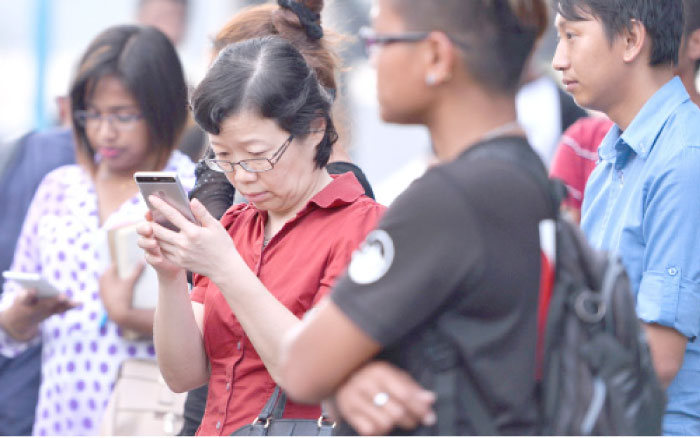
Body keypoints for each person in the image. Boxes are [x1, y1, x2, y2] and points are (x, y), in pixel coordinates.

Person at [278, 0, 552, 435]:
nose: (372, 59)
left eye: (381, 40)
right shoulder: (525, 175)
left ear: (437, 57)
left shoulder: (451, 199)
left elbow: (300, 365)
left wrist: (341, 372)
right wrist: (350, 377)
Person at [138, 35, 385, 436]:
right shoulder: (235, 225)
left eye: (257, 156)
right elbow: (183, 376)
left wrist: (226, 268)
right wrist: (169, 276)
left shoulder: (362, 228)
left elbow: (311, 370)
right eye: (224, 157)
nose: (242, 176)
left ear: (315, 130)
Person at [0, 25, 195, 436]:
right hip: (58, 418)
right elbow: (12, 318)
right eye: (92, 114)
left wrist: (130, 316)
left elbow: (213, 325)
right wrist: (19, 317)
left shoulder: (189, 189)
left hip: (146, 419)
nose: (105, 132)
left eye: (123, 115)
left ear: (163, 110)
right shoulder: (59, 187)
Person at [551, 0, 700, 434]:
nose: (559, 59)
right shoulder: (612, 162)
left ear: (632, 39)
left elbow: (657, 358)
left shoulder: (684, 161)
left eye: (572, 35)